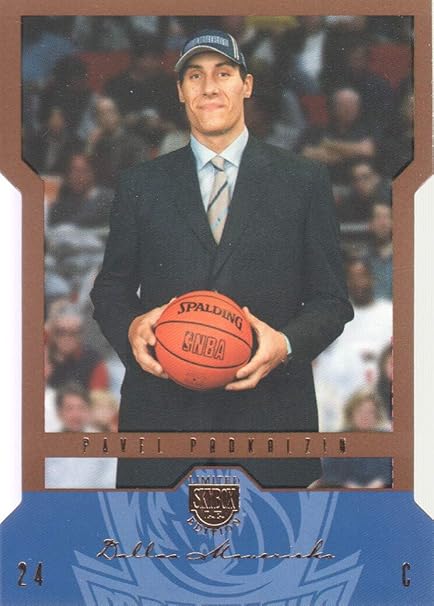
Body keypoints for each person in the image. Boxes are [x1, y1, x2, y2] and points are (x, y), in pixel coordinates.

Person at [91, 29, 353, 489]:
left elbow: (331, 301)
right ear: (180, 91)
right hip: (164, 418)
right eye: (195, 75)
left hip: (271, 418)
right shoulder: (140, 184)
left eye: (223, 73)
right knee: (156, 539)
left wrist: (285, 345)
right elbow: (111, 289)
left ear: (246, 85)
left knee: (277, 538)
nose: (209, 87)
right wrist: (131, 328)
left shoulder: (303, 180)